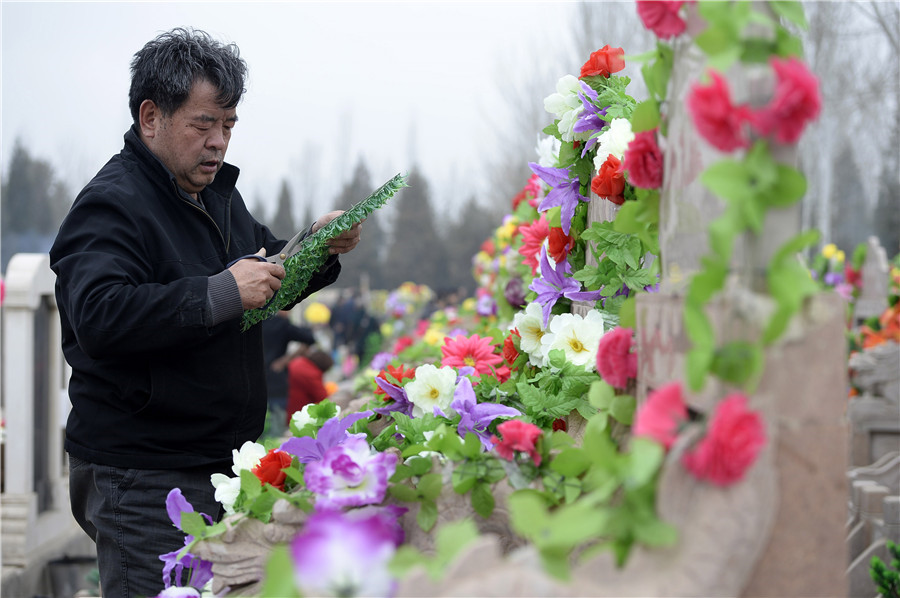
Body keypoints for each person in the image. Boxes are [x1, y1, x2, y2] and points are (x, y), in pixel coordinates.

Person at [48, 28, 362, 597]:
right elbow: (99, 314)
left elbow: (265, 271)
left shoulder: (216, 196)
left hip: (213, 460)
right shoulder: (111, 203)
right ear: (151, 117)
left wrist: (316, 247)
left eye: (229, 125)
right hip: (141, 472)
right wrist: (218, 292)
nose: (218, 143)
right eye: (202, 125)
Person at [262, 310, 315, 435]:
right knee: (276, 426)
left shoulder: (253, 319)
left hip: (255, 378)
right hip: (276, 378)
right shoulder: (282, 324)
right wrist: (285, 360)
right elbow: (310, 338)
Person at [286, 348, 335, 423]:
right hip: (295, 411)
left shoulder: (299, 361)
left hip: (284, 402)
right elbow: (323, 399)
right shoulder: (311, 374)